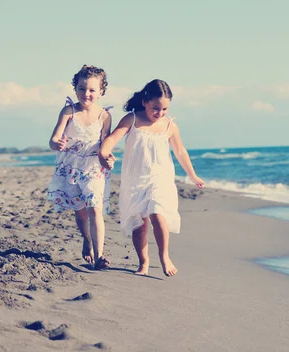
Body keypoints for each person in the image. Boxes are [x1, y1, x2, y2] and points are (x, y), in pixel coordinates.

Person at [98, 79, 205, 277]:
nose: (160, 113)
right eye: (156, 108)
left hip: (160, 178)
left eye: (165, 109)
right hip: (135, 179)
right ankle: (143, 262)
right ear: (145, 101)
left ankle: (164, 256)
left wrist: (193, 175)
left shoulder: (170, 126)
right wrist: (103, 154)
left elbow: (180, 152)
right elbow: (112, 138)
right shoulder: (132, 119)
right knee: (139, 224)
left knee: (157, 212)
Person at [47, 65, 114, 270]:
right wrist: (56, 143)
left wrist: (109, 158)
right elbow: (53, 139)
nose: (86, 93)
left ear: (101, 92)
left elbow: (105, 145)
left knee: (95, 209)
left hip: (93, 167)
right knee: (81, 211)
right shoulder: (69, 111)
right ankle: (86, 239)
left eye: (92, 90)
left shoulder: (104, 116)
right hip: (71, 168)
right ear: (75, 88)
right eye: (82, 88)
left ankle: (100, 255)